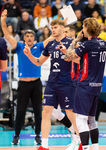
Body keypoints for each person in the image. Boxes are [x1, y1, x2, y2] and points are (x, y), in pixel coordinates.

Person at [23, 18, 79, 150]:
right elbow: (38, 62)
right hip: (52, 82)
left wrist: (67, 53)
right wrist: (29, 55)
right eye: (52, 28)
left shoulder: (72, 42)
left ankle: (80, 140)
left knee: (70, 113)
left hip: (67, 82)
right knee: (46, 112)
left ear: (62, 28)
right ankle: (45, 145)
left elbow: (79, 61)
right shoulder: (50, 44)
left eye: (55, 27)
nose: (53, 30)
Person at [1, 9, 54, 145]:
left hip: (36, 84)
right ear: (24, 38)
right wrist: (2, 20)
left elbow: (51, 38)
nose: (29, 38)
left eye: (31, 36)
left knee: (38, 111)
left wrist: (63, 24)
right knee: (20, 111)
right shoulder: (19, 47)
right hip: (23, 84)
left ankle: (37, 135)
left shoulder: (39, 46)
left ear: (34, 38)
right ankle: (17, 136)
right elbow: (7, 35)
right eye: (27, 36)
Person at [62, 17, 106, 150]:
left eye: (83, 27)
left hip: (85, 85)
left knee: (81, 119)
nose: (82, 29)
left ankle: (86, 148)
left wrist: (75, 40)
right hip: (97, 86)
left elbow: (67, 56)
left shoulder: (87, 45)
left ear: (87, 28)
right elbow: (85, 61)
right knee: (91, 119)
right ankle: (95, 147)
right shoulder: (104, 43)